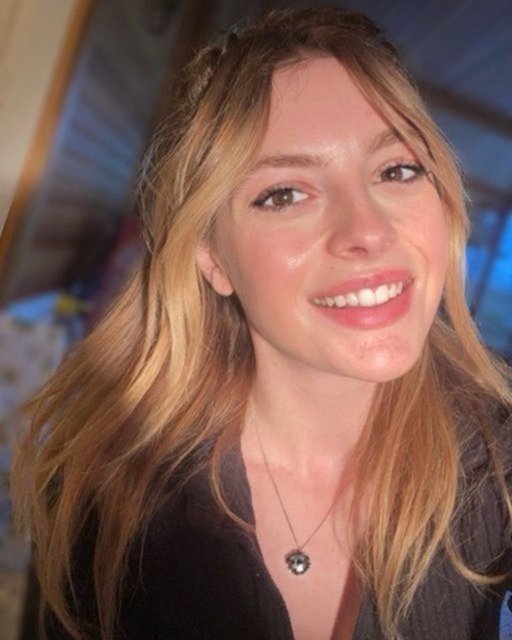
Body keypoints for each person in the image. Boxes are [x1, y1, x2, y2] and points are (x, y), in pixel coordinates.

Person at [11, 7, 512, 640]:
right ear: (212, 258)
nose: (369, 231)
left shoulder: (498, 466)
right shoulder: (105, 496)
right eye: (285, 194)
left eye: (397, 170)